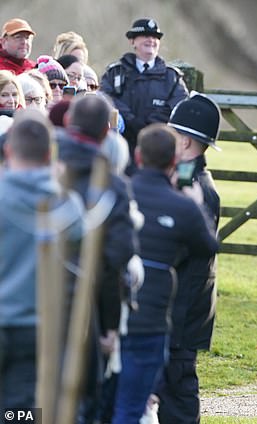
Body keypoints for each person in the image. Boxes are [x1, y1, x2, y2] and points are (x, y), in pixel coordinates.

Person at [112, 123, 218, 423]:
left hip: (115, 310)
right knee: (140, 399)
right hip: (155, 317)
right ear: (174, 160)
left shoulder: (122, 190)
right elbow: (209, 246)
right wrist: (197, 207)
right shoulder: (183, 204)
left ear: (138, 155)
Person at [57, 95, 137, 422]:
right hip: (82, 313)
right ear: (107, 132)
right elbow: (114, 259)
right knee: (82, 403)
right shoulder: (112, 185)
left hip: (27, 305)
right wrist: (109, 325)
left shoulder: (44, 164)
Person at [153, 93, 222, 423]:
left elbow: (185, 252)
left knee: (178, 392)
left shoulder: (197, 190)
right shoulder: (184, 182)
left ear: (183, 141)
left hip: (182, 311)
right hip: (178, 308)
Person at [0, 109, 64, 411]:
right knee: (21, 410)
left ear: (9, 150)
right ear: (49, 155)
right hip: (37, 328)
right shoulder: (66, 204)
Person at [100, 17, 188, 174]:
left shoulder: (172, 77)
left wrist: (152, 125)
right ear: (132, 41)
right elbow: (106, 99)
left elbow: (179, 106)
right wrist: (132, 121)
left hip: (160, 151)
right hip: (123, 146)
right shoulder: (115, 73)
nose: (151, 40)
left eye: (155, 37)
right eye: (145, 36)